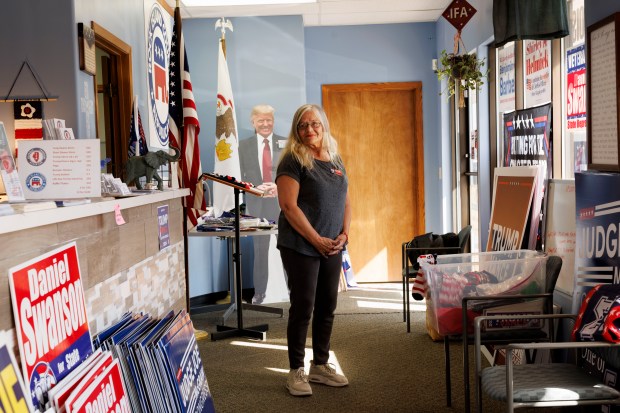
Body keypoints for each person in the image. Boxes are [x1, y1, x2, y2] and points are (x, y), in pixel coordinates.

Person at [276, 104, 351, 396]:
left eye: (315, 124)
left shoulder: (335, 157)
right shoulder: (292, 161)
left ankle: (320, 365)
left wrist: (345, 233)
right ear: (297, 130)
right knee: (303, 306)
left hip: (332, 245)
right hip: (300, 245)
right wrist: (316, 239)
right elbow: (288, 206)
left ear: (324, 126)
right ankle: (296, 370)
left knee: (327, 306)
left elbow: (345, 200)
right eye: (303, 125)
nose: (310, 130)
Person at [239, 104, 285, 304]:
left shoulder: (285, 143)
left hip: (282, 203)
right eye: (261, 120)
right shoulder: (243, 146)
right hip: (256, 204)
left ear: (273, 121)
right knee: (260, 249)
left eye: (269, 120)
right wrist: (255, 189)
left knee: (287, 246)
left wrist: (277, 187)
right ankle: (260, 293)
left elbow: (292, 175)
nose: (265, 124)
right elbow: (239, 176)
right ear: (253, 122)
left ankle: (291, 289)